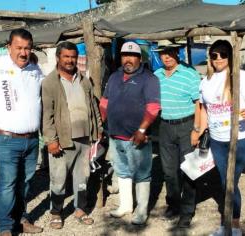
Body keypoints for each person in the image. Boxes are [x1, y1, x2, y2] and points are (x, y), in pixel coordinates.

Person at [0, 29, 44, 235]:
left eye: (27, 48)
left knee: (25, 182)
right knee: (8, 182)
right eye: (19, 48)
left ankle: (20, 219)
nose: (23, 52)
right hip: (6, 139)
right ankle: (5, 226)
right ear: (8, 47)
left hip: (32, 139)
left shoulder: (35, 69)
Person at [41, 41, 103, 229]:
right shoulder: (50, 83)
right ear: (58, 58)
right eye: (66, 56)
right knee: (58, 179)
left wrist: (98, 128)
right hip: (62, 140)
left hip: (85, 139)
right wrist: (51, 140)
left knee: (82, 177)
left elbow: (94, 106)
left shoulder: (83, 80)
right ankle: (56, 212)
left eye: (73, 57)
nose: (70, 60)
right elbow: (47, 114)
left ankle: (80, 209)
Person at [99, 41, 160, 225]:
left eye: (132, 56)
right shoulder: (114, 77)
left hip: (137, 137)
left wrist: (142, 129)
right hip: (115, 135)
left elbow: (153, 107)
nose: (128, 59)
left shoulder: (149, 78)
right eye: (125, 55)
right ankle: (125, 205)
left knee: (142, 174)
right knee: (122, 171)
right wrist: (102, 125)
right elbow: (104, 102)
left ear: (139, 59)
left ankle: (141, 210)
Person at [153, 40, 201, 228]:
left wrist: (196, 129)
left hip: (186, 125)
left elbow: (199, 104)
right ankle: (173, 204)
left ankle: (187, 211)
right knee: (169, 171)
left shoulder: (190, 74)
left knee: (188, 169)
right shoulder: (156, 75)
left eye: (169, 52)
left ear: (177, 53)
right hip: (165, 126)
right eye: (162, 53)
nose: (166, 56)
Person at [199, 40, 245, 236]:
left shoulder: (241, 77)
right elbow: (204, 109)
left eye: (223, 54)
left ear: (230, 56)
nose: (218, 58)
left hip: (239, 138)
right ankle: (227, 223)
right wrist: (198, 130)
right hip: (217, 140)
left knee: (230, 183)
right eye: (214, 55)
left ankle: (233, 225)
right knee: (224, 182)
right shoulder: (205, 81)